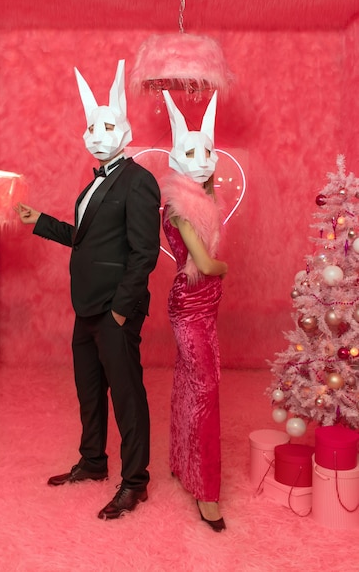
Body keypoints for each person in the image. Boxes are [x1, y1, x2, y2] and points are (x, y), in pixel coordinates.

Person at [15, 60, 160, 520]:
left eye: (107, 126)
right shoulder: (92, 184)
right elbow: (85, 238)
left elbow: (144, 253)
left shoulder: (139, 181)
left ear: (124, 129)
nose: (98, 134)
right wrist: (38, 221)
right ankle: (94, 462)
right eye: (92, 127)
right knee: (89, 389)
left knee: (127, 395)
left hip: (114, 310)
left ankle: (135, 482)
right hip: (86, 308)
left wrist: (120, 310)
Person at [161, 89, 228, 532]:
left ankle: (182, 462)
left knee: (190, 383)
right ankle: (207, 491)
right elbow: (205, 264)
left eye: (207, 151)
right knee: (206, 391)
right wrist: (225, 267)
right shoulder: (181, 208)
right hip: (190, 307)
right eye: (191, 152)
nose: (202, 159)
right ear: (176, 158)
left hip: (202, 305)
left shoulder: (201, 204)